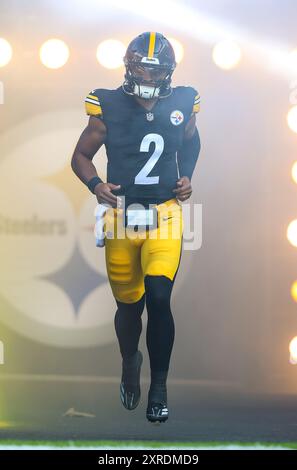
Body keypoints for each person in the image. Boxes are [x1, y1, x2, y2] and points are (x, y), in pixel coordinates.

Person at [71, 32, 201, 423]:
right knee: (130, 307)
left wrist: (187, 176)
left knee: (160, 297)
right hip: (121, 216)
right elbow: (81, 155)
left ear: (168, 73)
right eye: (142, 66)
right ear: (128, 66)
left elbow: (191, 142)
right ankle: (131, 360)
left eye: (156, 69)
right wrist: (97, 185)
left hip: (164, 213)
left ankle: (159, 388)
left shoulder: (183, 101)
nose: (148, 73)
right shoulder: (107, 104)